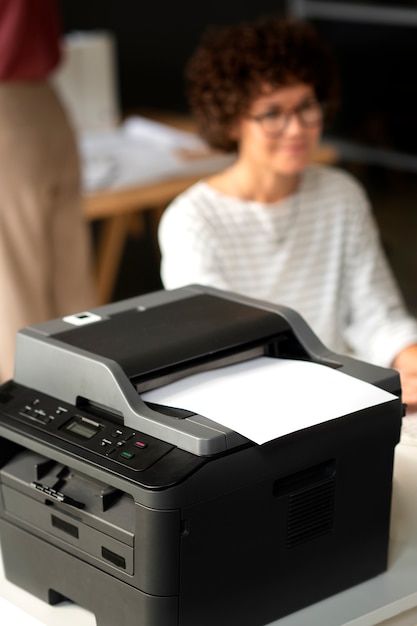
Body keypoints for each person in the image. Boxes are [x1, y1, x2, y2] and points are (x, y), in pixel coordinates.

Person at [158, 14, 417, 409]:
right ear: (231, 121)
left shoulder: (340, 195)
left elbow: (376, 314)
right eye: (273, 113)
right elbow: (218, 360)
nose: (296, 129)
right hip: (259, 412)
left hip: (353, 395)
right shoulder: (192, 222)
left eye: (306, 107)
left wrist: (408, 357)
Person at [0, 0, 95, 382]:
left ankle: (21, 434)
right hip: (40, 105)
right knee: (73, 296)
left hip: (11, 109)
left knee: (12, 298)